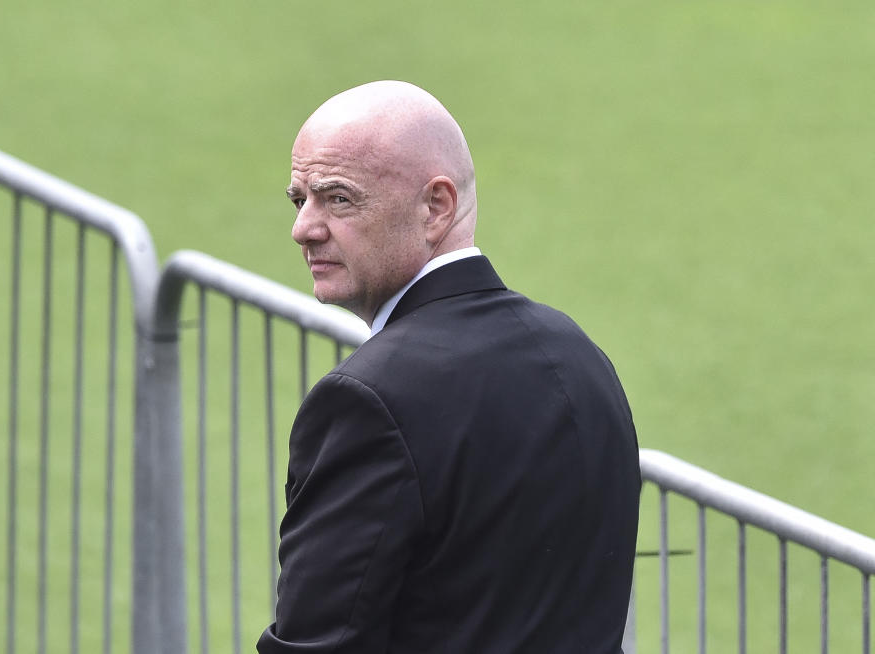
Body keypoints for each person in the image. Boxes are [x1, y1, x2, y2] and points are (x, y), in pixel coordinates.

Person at [257, 80, 640, 653]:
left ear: (436, 207)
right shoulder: (580, 354)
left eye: (338, 198)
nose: (304, 228)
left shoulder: (367, 399)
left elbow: (318, 643)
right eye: (299, 199)